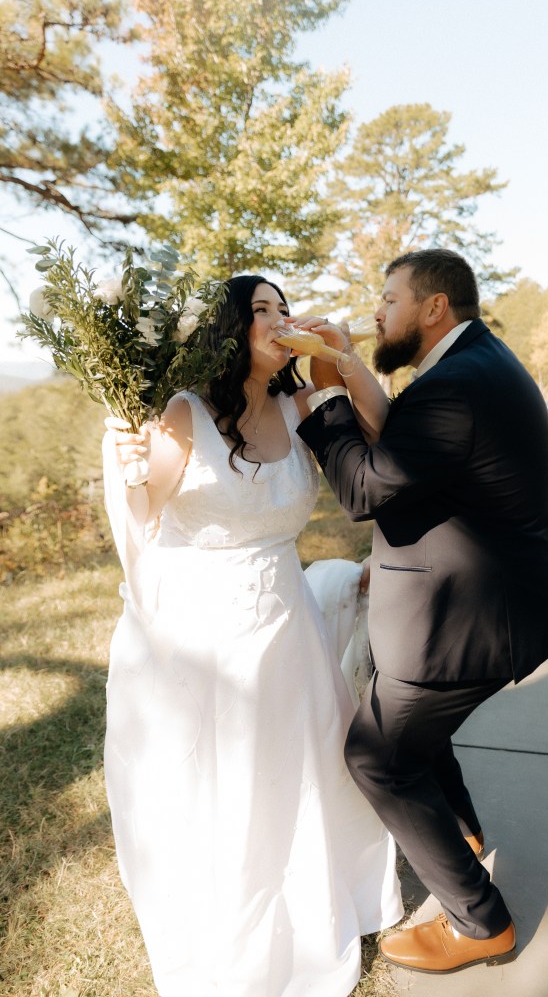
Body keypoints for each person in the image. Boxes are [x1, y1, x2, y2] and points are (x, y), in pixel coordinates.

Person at [102, 275, 403, 997]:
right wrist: (125, 460)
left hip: (285, 625)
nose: (278, 319)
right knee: (223, 775)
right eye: (259, 310)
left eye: (282, 308)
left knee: (303, 767)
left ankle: (323, 899)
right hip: (203, 631)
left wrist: (343, 357)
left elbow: (384, 433)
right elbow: (144, 510)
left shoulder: (301, 406)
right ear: (230, 330)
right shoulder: (186, 412)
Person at [297, 248, 548, 975]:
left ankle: (480, 921)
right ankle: (461, 834)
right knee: (418, 736)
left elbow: (363, 490)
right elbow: (410, 452)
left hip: (468, 621)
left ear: (433, 307)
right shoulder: (473, 365)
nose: (377, 312)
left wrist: (321, 399)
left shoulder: (453, 387)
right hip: (490, 606)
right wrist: (351, 366)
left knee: (378, 757)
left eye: (389, 300)